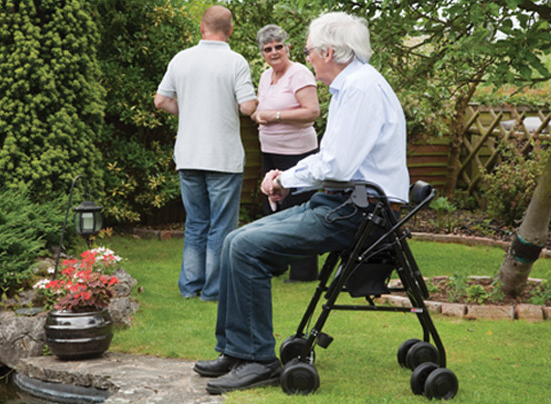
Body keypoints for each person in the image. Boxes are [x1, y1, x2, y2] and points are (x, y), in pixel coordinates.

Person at [193, 12, 410, 395]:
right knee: (233, 241)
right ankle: (236, 351)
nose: (307, 57)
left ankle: (258, 361)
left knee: (244, 247)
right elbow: (330, 155)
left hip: (359, 212)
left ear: (328, 51)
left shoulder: (360, 89)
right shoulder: (353, 86)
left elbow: (339, 166)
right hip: (343, 202)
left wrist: (286, 178)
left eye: (308, 50)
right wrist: (283, 180)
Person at [154, 5, 257, 301]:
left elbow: (161, 101)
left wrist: (187, 110)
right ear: (231, 30)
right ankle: (212, 291)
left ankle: (189, 287)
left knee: (196, 223)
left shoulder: (181, 59)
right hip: (223, 157)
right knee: (221, 227)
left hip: (188, 155)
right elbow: (248, 107)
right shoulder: (235, 61)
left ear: (202, 27)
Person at [251, 24, 321, 282]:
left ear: (288, 47)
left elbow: (312, 111)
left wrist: (276, 115)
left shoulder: (300, 74)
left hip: (297, 152)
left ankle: (304, 272)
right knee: (273, 208)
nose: (274, 52)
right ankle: (276, 264)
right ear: (262, 53)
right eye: (268, 49)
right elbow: (262, 108)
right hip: (270, 150)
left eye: (278, 46)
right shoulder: (265, 76)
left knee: (300, 211)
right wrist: (259, 114)